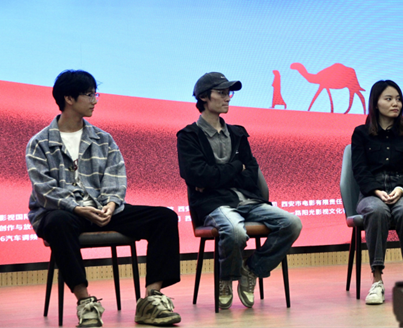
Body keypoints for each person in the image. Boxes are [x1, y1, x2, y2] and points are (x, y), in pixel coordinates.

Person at [26, 70, 181, 328]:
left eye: (95, 94)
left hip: (102, 209)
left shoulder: (103, 139)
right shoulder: (39, 143)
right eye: (89, 95)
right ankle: (85, 302)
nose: (94, 101)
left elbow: (116, 178)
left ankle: (152, 299)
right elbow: (44, 190)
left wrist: (110, 205)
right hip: (64, 212)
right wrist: (78, 208)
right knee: (58, 223)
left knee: (164, 217)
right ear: (69, 98)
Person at [176, 72, 302, 310]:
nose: (227, 98)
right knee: (235, 231)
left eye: (229, 93)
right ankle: (226, 278)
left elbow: (250, 172)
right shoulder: (188, 136)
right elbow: (197, 176)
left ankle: (251, 270)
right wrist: (235, 167)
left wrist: (217, 175)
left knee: (292, 223)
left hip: (247, 200)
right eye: (221, 93)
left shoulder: (238, 133)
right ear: (203, 97)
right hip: (213, 204)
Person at [351, 80, 403, 305]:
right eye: (389, 99)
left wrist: (400, 189)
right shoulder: (361, 133)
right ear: (376, 103)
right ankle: (377, 280)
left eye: (398, 99)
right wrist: (376, 191)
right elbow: (360, 170)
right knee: (377, 211)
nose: (395, 104)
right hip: (371, 193)